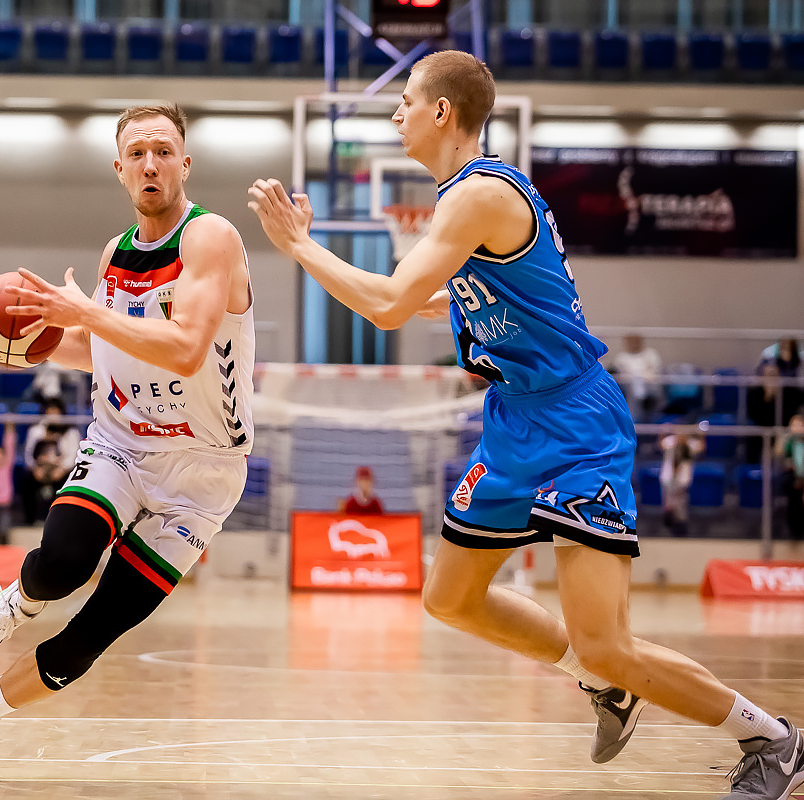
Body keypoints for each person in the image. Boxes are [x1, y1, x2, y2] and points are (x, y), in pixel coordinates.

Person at [247, 50, 801, 799]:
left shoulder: (479, 194)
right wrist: (439, 299)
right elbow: (452, 295)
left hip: (574, 424)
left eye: (406, 100)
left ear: (442, 111)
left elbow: (390, 306)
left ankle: (771, 738)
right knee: (450, 598)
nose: (396, 113)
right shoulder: (463, 200)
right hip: (515, 420)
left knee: (606, 641)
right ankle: (604, 685)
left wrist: (299, 246)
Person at [0, 103, 254, 784]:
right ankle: (17, 602)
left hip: (202, 475)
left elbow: (186, 348)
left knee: (90, 635)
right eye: (137, 152)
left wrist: (84, 312)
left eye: (163, 151)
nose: (150, 163)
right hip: (121, 445)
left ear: (185, 164)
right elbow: (102, 349)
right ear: (119, 169)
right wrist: (25, 342)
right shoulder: (115, 254)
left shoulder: (211, 237)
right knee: (62, 564)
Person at [20, 398, 79, 523]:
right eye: (49, 411)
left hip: (61, 470)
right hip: (39, 469)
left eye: (55, 411)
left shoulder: (71, 432)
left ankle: (61, 521)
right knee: (26, 479)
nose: (52, 414)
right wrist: (35, 469)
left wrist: (61, 470)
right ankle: (30, 520)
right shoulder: (35, 430)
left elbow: (73, 456)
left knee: (69, 481)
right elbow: (28, 454)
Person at [659, 432, 703, 538]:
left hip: (683, 480)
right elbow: (660, 445)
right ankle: (668, 529)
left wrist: (701, 434)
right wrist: (662, 432)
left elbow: (701, 448)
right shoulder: (670, 441)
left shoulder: (691, 443)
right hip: (668, 478)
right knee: (668, 504)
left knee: (681, 505)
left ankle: (681, 530)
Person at [612, 334, 662, 420]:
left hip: (649, 387)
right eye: (631, 341)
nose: (634, 343)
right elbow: (622, 375)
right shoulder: (621, 358)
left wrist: (641, 376)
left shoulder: (650, 354)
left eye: (636, 341)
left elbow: (655, 371)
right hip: (630, 390)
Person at [781, 413, 804, 541]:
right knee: (794, 499)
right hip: (792, 476)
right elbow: (780, 455)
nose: (797, 428)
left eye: (800, 425)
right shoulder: (787, 440)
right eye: (794, 425)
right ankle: (795, 530)